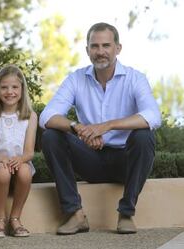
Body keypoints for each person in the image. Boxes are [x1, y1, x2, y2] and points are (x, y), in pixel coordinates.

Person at [40, 22, 161, 235]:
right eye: (94, 46)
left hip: (125, 162)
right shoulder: (76, 79)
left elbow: (153, 116)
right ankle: (75, 214)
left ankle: (126, 213)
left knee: (144, 136)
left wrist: (107, 126)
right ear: (87, 50)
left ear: (118, 48)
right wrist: (80, 129)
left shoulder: (135, 79)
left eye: (106, 45)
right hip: (91, 159)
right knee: (51, 136)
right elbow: (47, 116)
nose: (100, 52)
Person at [0, 64, 38, 239]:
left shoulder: (30, 116)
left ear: (22, 89)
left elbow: (29, 152)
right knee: (3, 172)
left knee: (26, 170)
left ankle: (15, 218)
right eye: (4, 87)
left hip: (19, 167)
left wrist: (19, 160)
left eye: (14, 87)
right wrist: (4, 160)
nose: (9, 91)